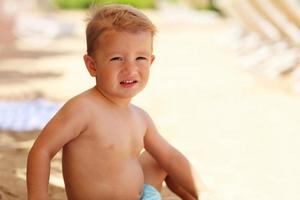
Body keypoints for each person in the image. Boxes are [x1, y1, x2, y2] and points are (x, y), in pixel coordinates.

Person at [27, 4, 202, 200]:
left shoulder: (140, 117)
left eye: (140, 58)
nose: (130, 68)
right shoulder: (83, 109)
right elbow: (42, 150)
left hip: (142, 196)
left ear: (151, 62)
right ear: (92, 65)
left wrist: (204, 191)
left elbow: (170, 157)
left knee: (160, 159)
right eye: (117, 58)